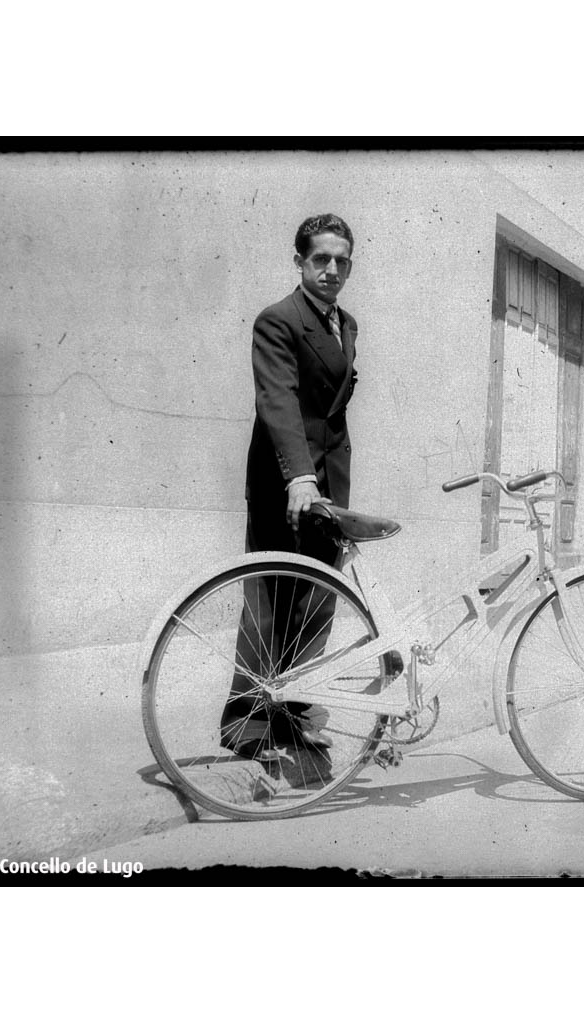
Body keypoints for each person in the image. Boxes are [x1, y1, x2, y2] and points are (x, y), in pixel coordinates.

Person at [220, 214, 359, 760]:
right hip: (287, 480)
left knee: (319, 602)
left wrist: (324, 480)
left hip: (330, 483)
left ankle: (294, 716)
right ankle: (246, 724)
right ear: (299, 260)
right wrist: (299, 475)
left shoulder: (345, 324)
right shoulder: (277, 320)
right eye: (320, 258)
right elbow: (277, 399)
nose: (331, 270)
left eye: (341, 260)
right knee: (271, 601)